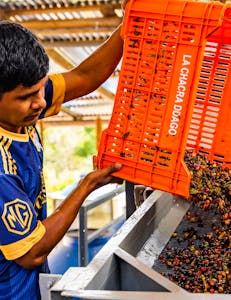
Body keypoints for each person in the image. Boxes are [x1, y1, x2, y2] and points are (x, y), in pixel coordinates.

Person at [0, 1, 129, 297]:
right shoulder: (1, 169)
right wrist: (87, 185)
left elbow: (85, 77)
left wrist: (130, 26)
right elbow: (31, 253)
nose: (41, 103)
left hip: (30, 279)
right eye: (27, 97)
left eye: (41, 88)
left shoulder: (23, 104)